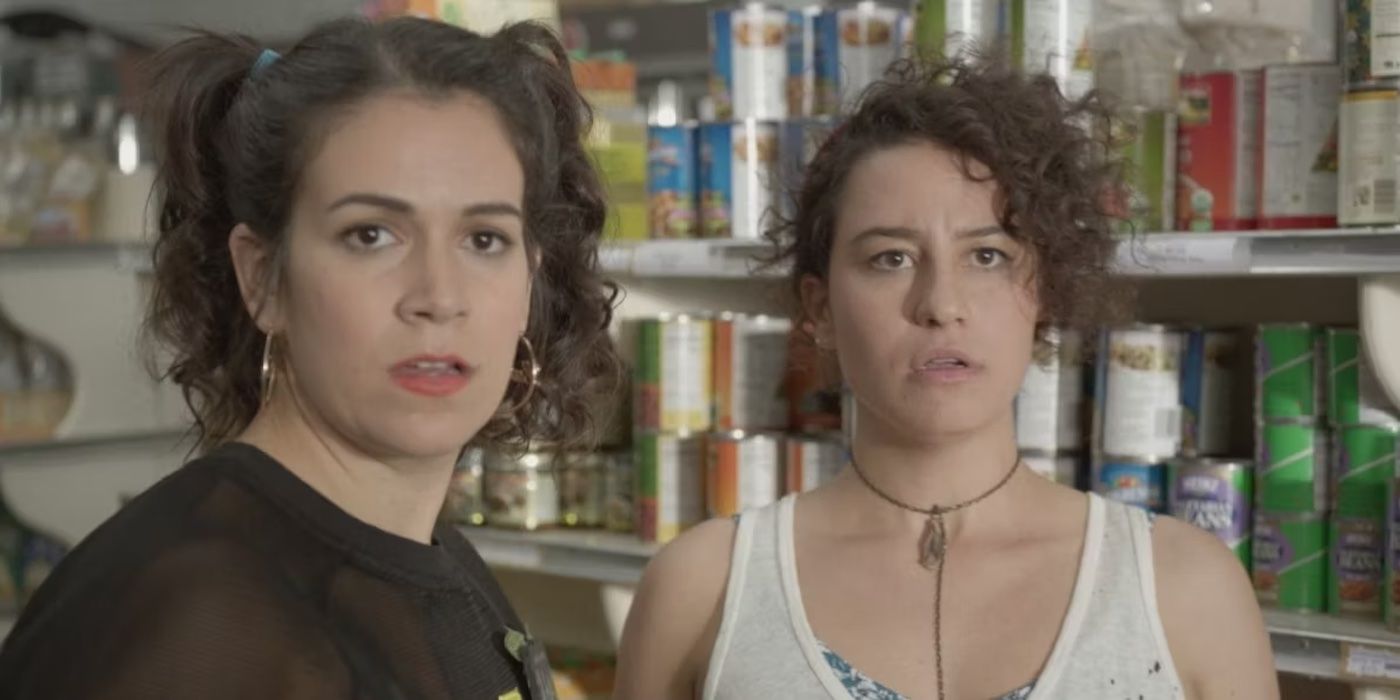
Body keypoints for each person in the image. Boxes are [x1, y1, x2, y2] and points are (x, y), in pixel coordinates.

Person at [615, 56, 1277, 700]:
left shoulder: (1185, 588)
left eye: (987, 255)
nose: (941, 304)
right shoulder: (702, 588)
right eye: (891, 257)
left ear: (1042, 292)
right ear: (819, 309)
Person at [0, 16, 618, 699]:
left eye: (484, 239)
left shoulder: (425, 555)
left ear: (531, 275)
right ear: (262, 277)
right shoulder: (203, 611)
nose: (439, 297)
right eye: (372, 235)